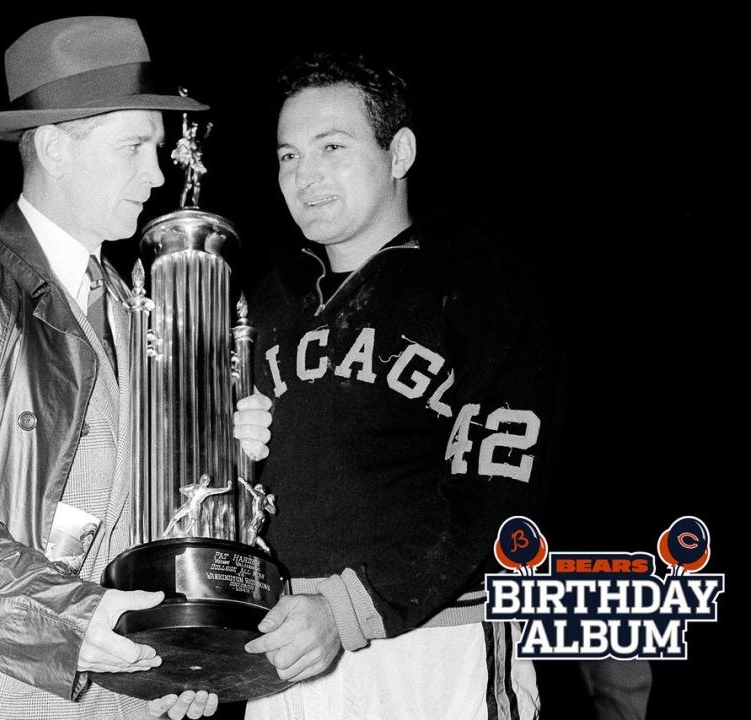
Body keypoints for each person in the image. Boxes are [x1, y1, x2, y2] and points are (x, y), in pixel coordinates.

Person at [0, 16, 260, 720]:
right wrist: (73, 618)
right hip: (0, 680)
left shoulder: (134, 310)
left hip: (115, 683)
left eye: (157, 150)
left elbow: (135, 501)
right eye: (132, 146)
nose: (155, 174)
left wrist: (169, 648)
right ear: (52, 148)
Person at [240, 50, 562, 719]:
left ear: (400, 151)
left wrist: (348, 608)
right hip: (287, 651)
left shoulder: (479, 283)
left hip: (437, 645)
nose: (306, 175)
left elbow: (495, 491)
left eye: (332, 146)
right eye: (288, 156)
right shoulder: (263, 307)